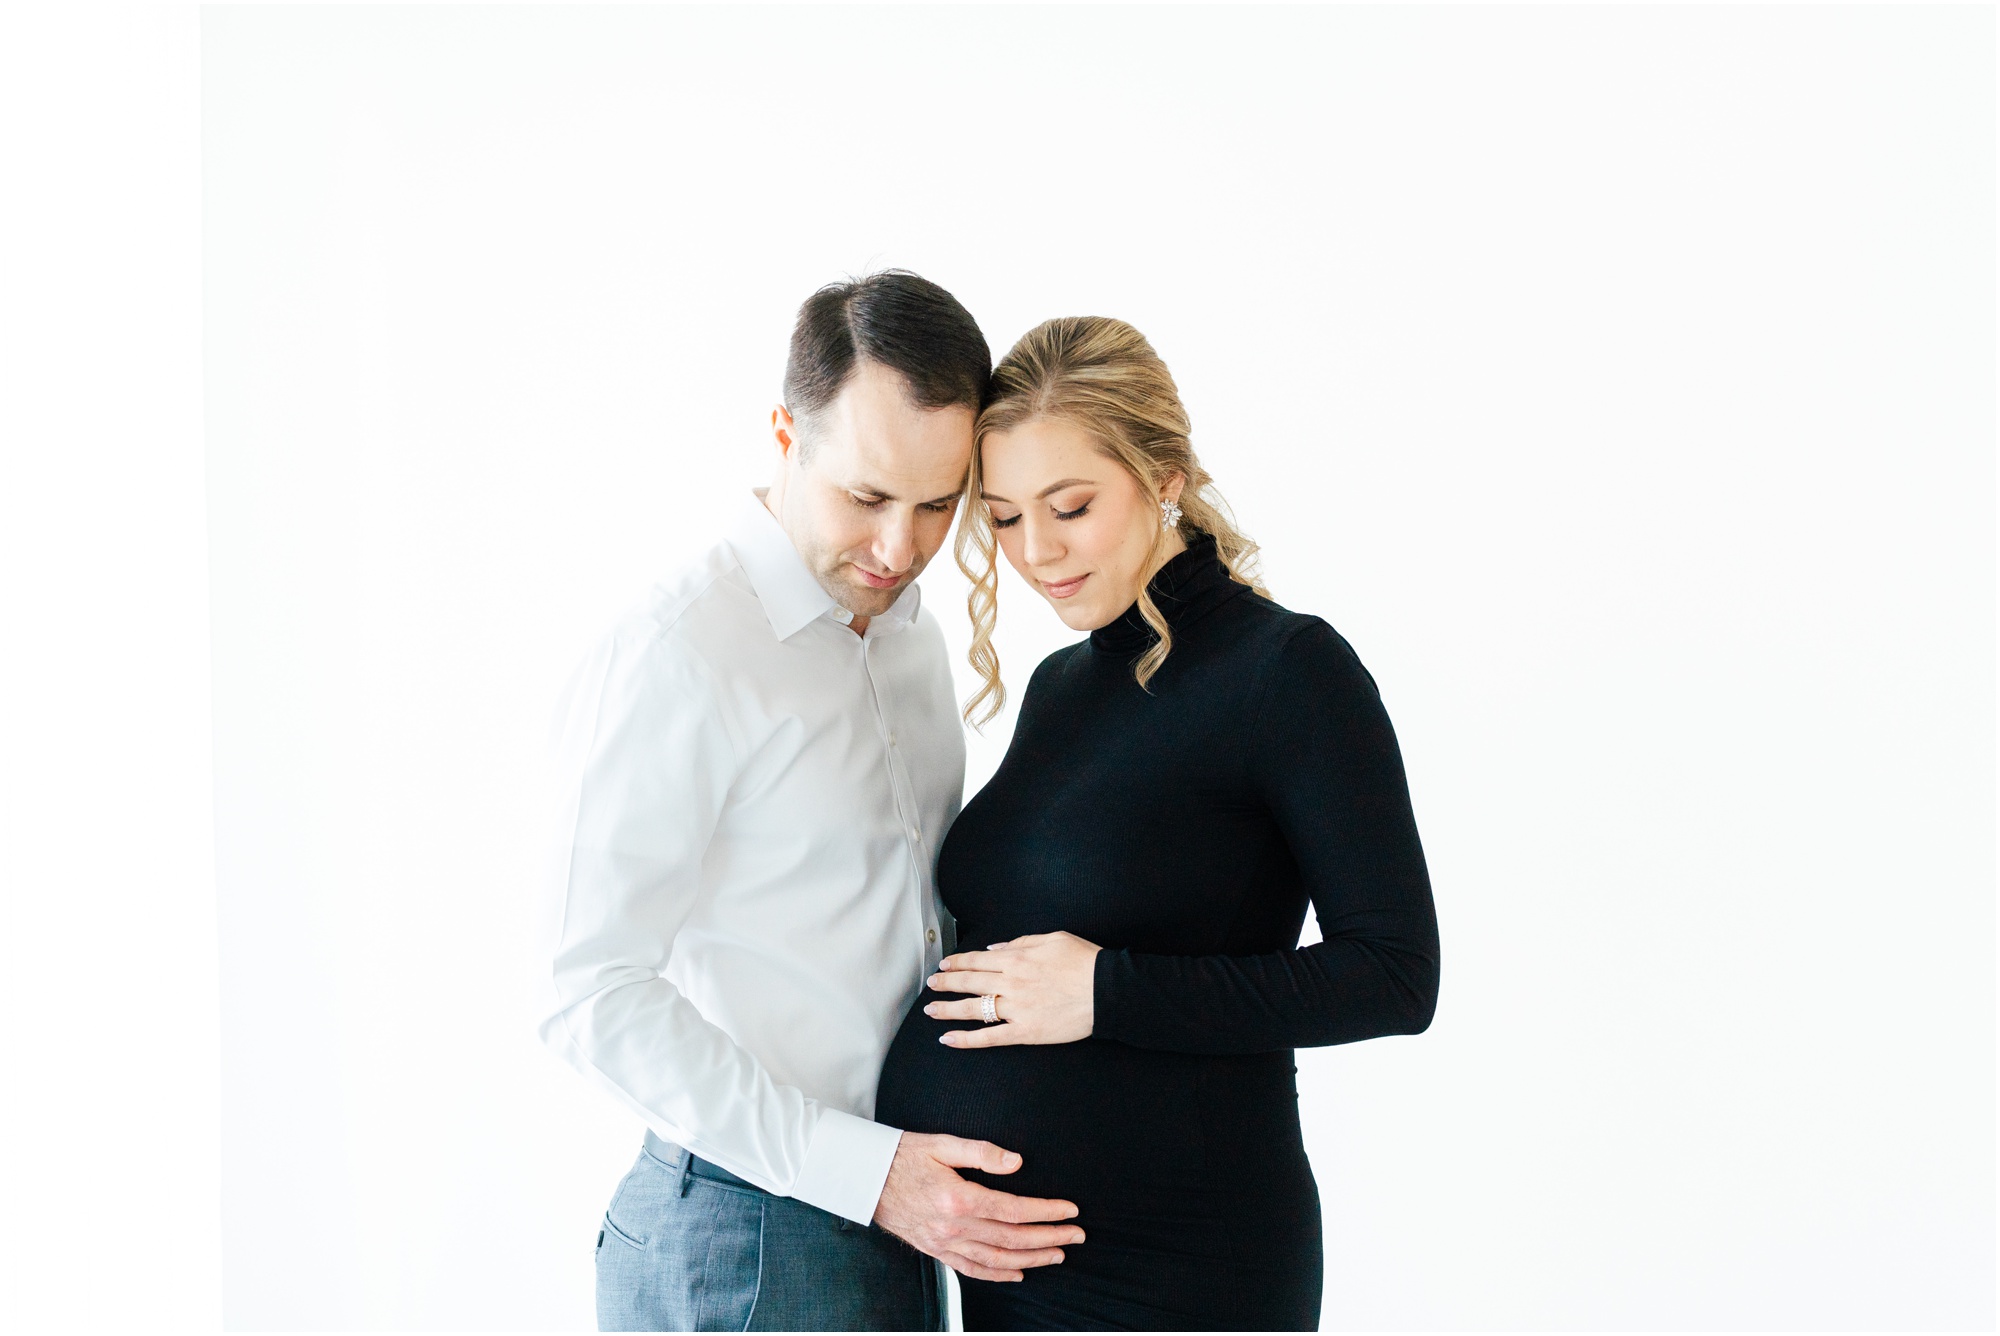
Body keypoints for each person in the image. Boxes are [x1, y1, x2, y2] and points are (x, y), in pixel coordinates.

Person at [540, 272, 1085, 1332]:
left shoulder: (914, 634)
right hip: (747, 1228)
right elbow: (584, 988)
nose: (898, 548)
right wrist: (861, 1172)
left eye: (938, 506)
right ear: (784, 435)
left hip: (892, 1216)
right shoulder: (679, 653)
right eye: (865, 496)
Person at [874, 316, 1442, 1331]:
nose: (1035, 552)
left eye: (1071, 506)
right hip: (1008, 1274)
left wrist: (1108, 987)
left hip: (1179, 1264)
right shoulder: (1057, 684)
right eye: (1001, 519)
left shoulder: (1288, 672)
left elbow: (1393, 974)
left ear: (1165, 473)